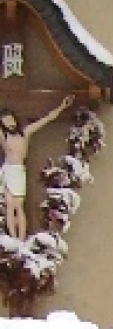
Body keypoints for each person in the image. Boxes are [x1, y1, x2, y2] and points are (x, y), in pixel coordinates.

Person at [0, 95, 75, 239]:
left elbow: (46, 119)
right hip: (7, 170)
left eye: (10, 119)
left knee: (18, 206)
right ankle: (13, 238)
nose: (9, 123)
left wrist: (62, 106)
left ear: (14, 118)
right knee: (10, 207)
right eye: (5, 121)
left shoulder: (25, 133)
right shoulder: (4, 136)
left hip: (18, 171)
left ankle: (20, 239)